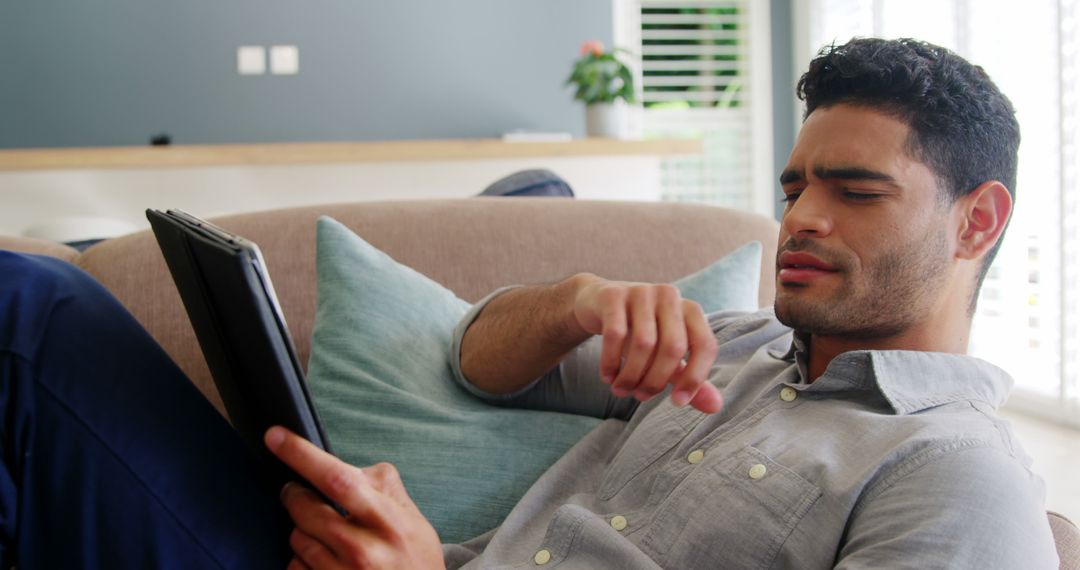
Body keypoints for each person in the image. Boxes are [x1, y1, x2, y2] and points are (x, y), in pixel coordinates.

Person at [0, 37, 1059, 569]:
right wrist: (580, 301)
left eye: (856, 191)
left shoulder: (954, 476)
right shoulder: (734, 347)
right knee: (33, 301)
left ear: (976, 221)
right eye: (794, 188)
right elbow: (479, 359)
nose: (802, 219)